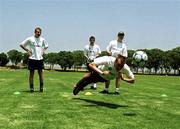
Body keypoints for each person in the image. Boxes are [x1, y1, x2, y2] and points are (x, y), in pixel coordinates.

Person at [20, 27, 48, 93]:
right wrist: (27, 50)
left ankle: (41, 89)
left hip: (40, 59)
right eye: (38, 32)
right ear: (35, 32)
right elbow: (21, 44)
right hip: (32, 59)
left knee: (41, 74)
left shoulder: (42, 39)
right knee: (31, 74)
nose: (39, 33)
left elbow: (46, 46)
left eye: (40, 32)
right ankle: (31, 89)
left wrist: (43, 51)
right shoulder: (30, 39)